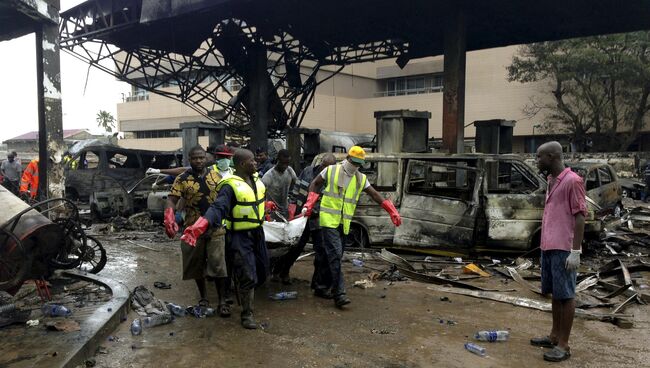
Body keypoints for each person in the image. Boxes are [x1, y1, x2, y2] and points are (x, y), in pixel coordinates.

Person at [302, 146, 402, 308]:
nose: (355, 166)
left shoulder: (360, 178)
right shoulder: (331, 170)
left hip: (344, 222)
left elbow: (374, 194)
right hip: (328, 220)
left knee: (334, 256)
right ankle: (339, 293)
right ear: (348, 158)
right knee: (334, 254)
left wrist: (391, 210)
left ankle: (321, 286)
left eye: (359, 164)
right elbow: (315, 183)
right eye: (354, 162)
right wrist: (310, 202)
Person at [181, 149, 269, 329]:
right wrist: (201, 224)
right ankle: (247, 314)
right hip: (239, 235)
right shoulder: (229, 186)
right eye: (252, 161)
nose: (256, 163)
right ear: (243, 164)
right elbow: (218, 207)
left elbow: (255, 201)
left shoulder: (256, 180)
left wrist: (266, 206)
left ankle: (241, 293)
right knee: (248, 274)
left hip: (257, 233)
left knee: (262, 271)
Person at [530, 141, 586, 362]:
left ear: (552, 157)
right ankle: (554, 336)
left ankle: (564, 345)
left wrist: (576, 251)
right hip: (549, 246)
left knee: (566, 296)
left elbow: (580, 216)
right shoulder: (551, 180)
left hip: (564, 247)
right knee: (555, 293)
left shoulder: (573, 181)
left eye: (539, 157)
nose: (537, 161)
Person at [164, 146, 231, 317]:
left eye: (201, 158)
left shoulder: (217, 176)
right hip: (192, 228)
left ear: (206, 158)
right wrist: (170, 214)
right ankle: (203, 297)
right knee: (196, 265)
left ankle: (222, 301)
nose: (199, 161)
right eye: (195, 158)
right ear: (189, 159)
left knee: (218, 265)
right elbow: (172, 199)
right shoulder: (182, 178)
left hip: (215, 227)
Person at [274, 153, 337, 291]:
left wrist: (315, 210)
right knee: (295, 246)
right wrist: (292, 207)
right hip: (300, 216)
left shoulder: (333, 178)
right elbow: (297, 189)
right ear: (321, 164)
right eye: (324, 167)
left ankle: (317, 282)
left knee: (320, 252)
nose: (326, 170)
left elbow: (331, 200)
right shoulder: (308, 171)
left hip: (318, 219)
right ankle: (282, 272)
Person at [262, 149, 297, 221]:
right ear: (277, 160)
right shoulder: (268, 176)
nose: (285, 166)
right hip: (272, 213)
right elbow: (260, 194)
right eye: (283, 163)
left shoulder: (289, 171)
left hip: (286, 211)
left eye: (287, 164)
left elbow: (297, 185)